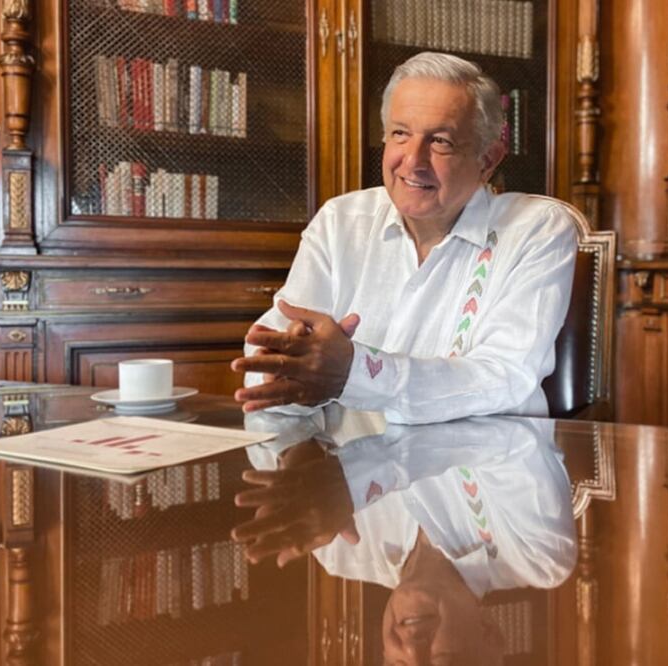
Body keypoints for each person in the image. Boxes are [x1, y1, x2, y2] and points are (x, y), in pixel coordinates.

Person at [232, 52, 578, 424]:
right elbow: (266, 353)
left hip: (487, 465)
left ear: (488, 159)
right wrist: (292, 366)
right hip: (348, 469)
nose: (413, 161)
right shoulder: (341, 221)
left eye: (440, 141)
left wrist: (356, 371)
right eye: (400, 134)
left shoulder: (537, 228)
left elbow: (506, 377)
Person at [233, 406, 577, 665]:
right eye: (441, 662)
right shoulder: (537, 555)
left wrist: (295, 450)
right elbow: (515, 438)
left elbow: (264, 398)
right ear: (490, 636)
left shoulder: (340, 553)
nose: (413, 647)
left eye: (398, 665)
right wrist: (354, 474)